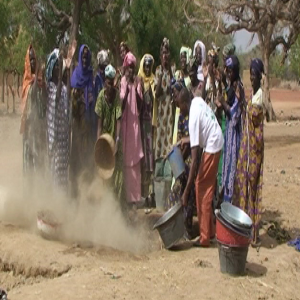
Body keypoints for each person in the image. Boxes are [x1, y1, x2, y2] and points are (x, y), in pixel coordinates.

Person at [179, 88, 224, 247]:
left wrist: (185, 192)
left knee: (201, 188)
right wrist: (185, 140)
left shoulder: (192, 119)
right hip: (216, 139)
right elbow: (198, 132)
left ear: (185, 104)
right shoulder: (197, 101)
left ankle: (205, 237)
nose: (179, 109)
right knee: (207, 187)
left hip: (212, 146)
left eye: (180, 106)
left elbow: (195, 159)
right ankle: (210, 231)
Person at [233, 58, 265, 247]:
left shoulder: (259, 96)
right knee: (245, 184)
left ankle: (253, 233)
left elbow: (253, 116)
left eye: (255, 75)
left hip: (254, 150)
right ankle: (246, 229)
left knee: (252, 186)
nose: (252, 78)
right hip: (248, 149)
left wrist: (244, 104)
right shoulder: (254, 93)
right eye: (251, 74)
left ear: (260, 76)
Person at [166, 80, 196, 239]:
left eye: (176, 98)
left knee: (188, 196)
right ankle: (175, 228)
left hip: (192, 162)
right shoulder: (182, 116)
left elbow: (194, 141)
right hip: (183, 162)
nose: (175, 102)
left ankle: (187, 230)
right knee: (174, 195)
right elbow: (179, 141)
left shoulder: (193, 115)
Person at [215, 55, 244, 203]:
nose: (229, 74)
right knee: (225, 174)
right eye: (227, 70)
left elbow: (234, 114)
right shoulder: (231, 86)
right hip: (228, 138)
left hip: (235, 139)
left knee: (233, 175)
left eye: (231, 71)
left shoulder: (239, 87)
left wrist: (223, 104)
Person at [95, 64, 124, 202]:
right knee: (103, 168)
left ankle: (116, 203)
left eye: (112, 82)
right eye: (107, 82)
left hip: (114, 137)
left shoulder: (117, 96)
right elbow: (99, 122)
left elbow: (118, 119)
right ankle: (104, 201)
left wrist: (117, 140)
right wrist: (98, 142)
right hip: (104, 137)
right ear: (104, 81)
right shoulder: (101, 96)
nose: (110, 85)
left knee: (117, 171)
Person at [70, 44, 95, 198]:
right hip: (77, 131)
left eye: (87, 57)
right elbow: (72, 111)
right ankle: (74, 195)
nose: (85, 60)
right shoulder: (75, 78)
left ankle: (87, 195)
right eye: (83, 57)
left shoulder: (91, 77)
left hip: (89, 130)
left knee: (88, 162)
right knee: (77, 162)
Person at [120, 51, 144, 207]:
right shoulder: (122, 81)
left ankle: (135, 198)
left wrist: (135, 90)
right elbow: (120, 106)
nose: (130, 71)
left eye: (133, 68)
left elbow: (141, 107)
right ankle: (125, 198)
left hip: (134, 126)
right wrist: (128, 90)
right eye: (128, 67)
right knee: (125, 162)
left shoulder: (137, 82)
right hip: (125, 125)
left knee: (135, 162)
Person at [20, 45, 47, 177]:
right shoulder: (26, 82)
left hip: (39, 127)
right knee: (28, 160)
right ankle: (28, 192)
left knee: (38, 159)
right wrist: (36, 75)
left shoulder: (40, 81)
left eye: (34, 59)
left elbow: (44, 99)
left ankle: (39, 191)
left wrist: (40, 77)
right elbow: (32, 92)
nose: (32, 61)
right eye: (30, 59)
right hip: (29, 128)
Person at [46, 49, 69, 192]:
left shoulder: (64, 87)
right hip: (53, 136)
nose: (58, 69)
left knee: (62, 168)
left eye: (59, 67)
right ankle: (53, 198)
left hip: (63, 136)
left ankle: (62, 199)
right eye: (56, 66)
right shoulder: (50, 87)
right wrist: (60, 78)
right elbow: (57, 97)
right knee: (54, 167)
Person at [138, 54, 155, 206]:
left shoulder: (154, 82)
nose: (148, 68)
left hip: (150, 125)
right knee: (141, 159)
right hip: (140, 126)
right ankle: (141, 193)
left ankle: (149, 194)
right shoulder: (139, 81)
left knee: (150, 160)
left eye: (150, 66)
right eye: (146, 66)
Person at [154, 38, 175, 160]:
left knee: (169, 135)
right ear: (160, 55)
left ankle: (168, 165)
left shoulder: (173, 70)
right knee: (159, 137)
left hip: (170, 110)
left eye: (166, 53)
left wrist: (169, 71)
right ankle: (158, 166)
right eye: (163, 53)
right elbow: (157, 93)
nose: (165, 55)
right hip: (161, 110)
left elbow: (173, 87)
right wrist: (162, 72)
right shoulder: (158, 70)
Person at [173, 47, 192, 144]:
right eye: (181, 57)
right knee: (177, 137)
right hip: (178, 112)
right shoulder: (177, 75)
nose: (183, 60)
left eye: (185, 57)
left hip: (187, 112)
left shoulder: (190, 77)